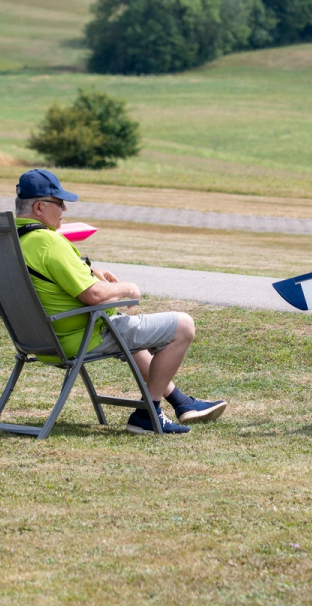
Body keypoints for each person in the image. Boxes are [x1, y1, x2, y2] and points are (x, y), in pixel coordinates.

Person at [12, 169, 226, 434]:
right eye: (59, 202)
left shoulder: (12, 240)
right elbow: (94, 296)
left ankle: (181, 402)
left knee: (129, 333)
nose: (64, 208)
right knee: (183, 325)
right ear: (39, 207)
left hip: (39, 340)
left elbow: (48, 275)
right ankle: (148, 415)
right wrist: (127, 288)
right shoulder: (49, 242)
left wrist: (91, 271)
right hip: (81, 337)